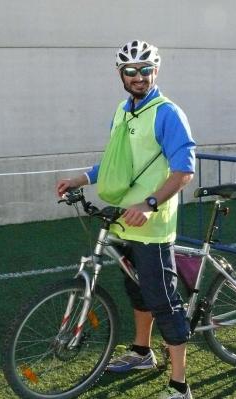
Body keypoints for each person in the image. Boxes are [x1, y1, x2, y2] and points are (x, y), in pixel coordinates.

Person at [56, 40, 196, 399]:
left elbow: (184, 170)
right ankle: (141, 352)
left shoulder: (167, 113)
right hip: (122, 220)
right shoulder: (122, 111)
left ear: (156, 71)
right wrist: (81, 179)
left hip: (152, 225)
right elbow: (114, 163)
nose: (138, 77)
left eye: (145, 70)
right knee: (136, 290)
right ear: (120, 74)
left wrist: (150, 203)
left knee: (164, 300)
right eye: (130, 71)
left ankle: (180, 386)